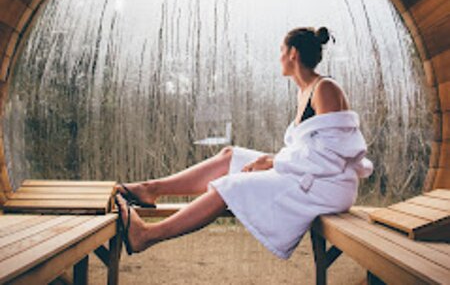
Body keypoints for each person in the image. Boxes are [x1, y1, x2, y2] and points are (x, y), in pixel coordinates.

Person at [115, 26, 373, 260]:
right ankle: (151, 189)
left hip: (329, 186)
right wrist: (272, 162)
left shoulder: (325, 88)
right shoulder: (305, 91)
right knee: (230, 155)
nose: (279, 57)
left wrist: (272, 162)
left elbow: (330, 156)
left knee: (230, 186)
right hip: (313, 175)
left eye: (281, 51)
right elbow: (310, 151)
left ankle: (146, 236)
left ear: (293, 53)